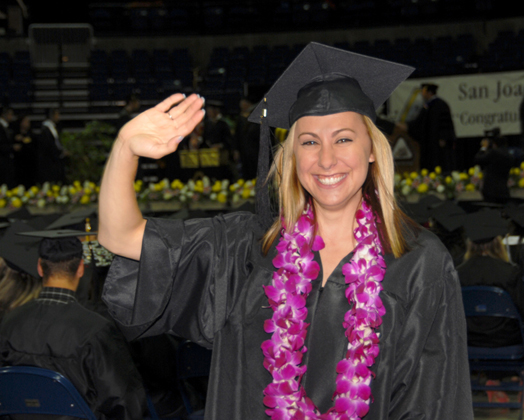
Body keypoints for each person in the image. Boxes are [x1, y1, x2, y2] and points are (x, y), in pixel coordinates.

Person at [99, 43, 473, 419]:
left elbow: (436, 402)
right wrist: (124, 150)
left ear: (372, 149)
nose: (326, 159)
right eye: (309, 142)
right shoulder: (245, 249)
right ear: (292, 156)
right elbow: (121, 237)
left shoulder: (420, 264)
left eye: (343, 138)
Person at [0, 229, 146, 420]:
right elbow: (124, 401)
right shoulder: (96, 329)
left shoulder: (9, 323)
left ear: (40, 268)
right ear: (80, 268)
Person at [457, 210, 524, 406]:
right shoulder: (509, 272)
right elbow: (523, 313)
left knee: (486, 326)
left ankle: (493, 380)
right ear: (498, 242)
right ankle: (522, 380)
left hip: (471, 338)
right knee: (523, 329)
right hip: (505, 338)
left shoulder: (458, 273)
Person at [403, 83, 456, 172]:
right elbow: (419, 123)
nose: (422, 94)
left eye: (423, 91)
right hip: (428, 144)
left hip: (438, 145)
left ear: (429, 92)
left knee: (440, 165)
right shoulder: (426, 106)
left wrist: (443, 137)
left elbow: (446, 124)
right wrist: (407, 126)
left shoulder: (440, 105)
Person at [474, 128, 515, 204]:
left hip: (490, 192)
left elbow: (478, 159)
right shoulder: (510, 156)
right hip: (504, 191)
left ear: (494, 144)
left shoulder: (494, 153)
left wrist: (484, 147)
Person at [37, 108, 66, 183]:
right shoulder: (46, 129)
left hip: (54, 158)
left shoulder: (53, 127)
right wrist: (60, 152)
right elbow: (50, 145)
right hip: (49, 160)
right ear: (52, 115)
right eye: (57, 115)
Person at [13, 115, 37, 188]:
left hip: (30, 164)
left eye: (28, 122)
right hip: (18, 164)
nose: (27, 123)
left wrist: (23, 140)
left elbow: (33, 146)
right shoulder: (15, 134)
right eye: (25, 122)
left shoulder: (32, 135)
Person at [0, 106, 16, 187]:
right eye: (10, 114)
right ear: (4, 115)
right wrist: (12, 148)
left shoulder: (7, 127)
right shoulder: (1, 127)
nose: (11, 117)